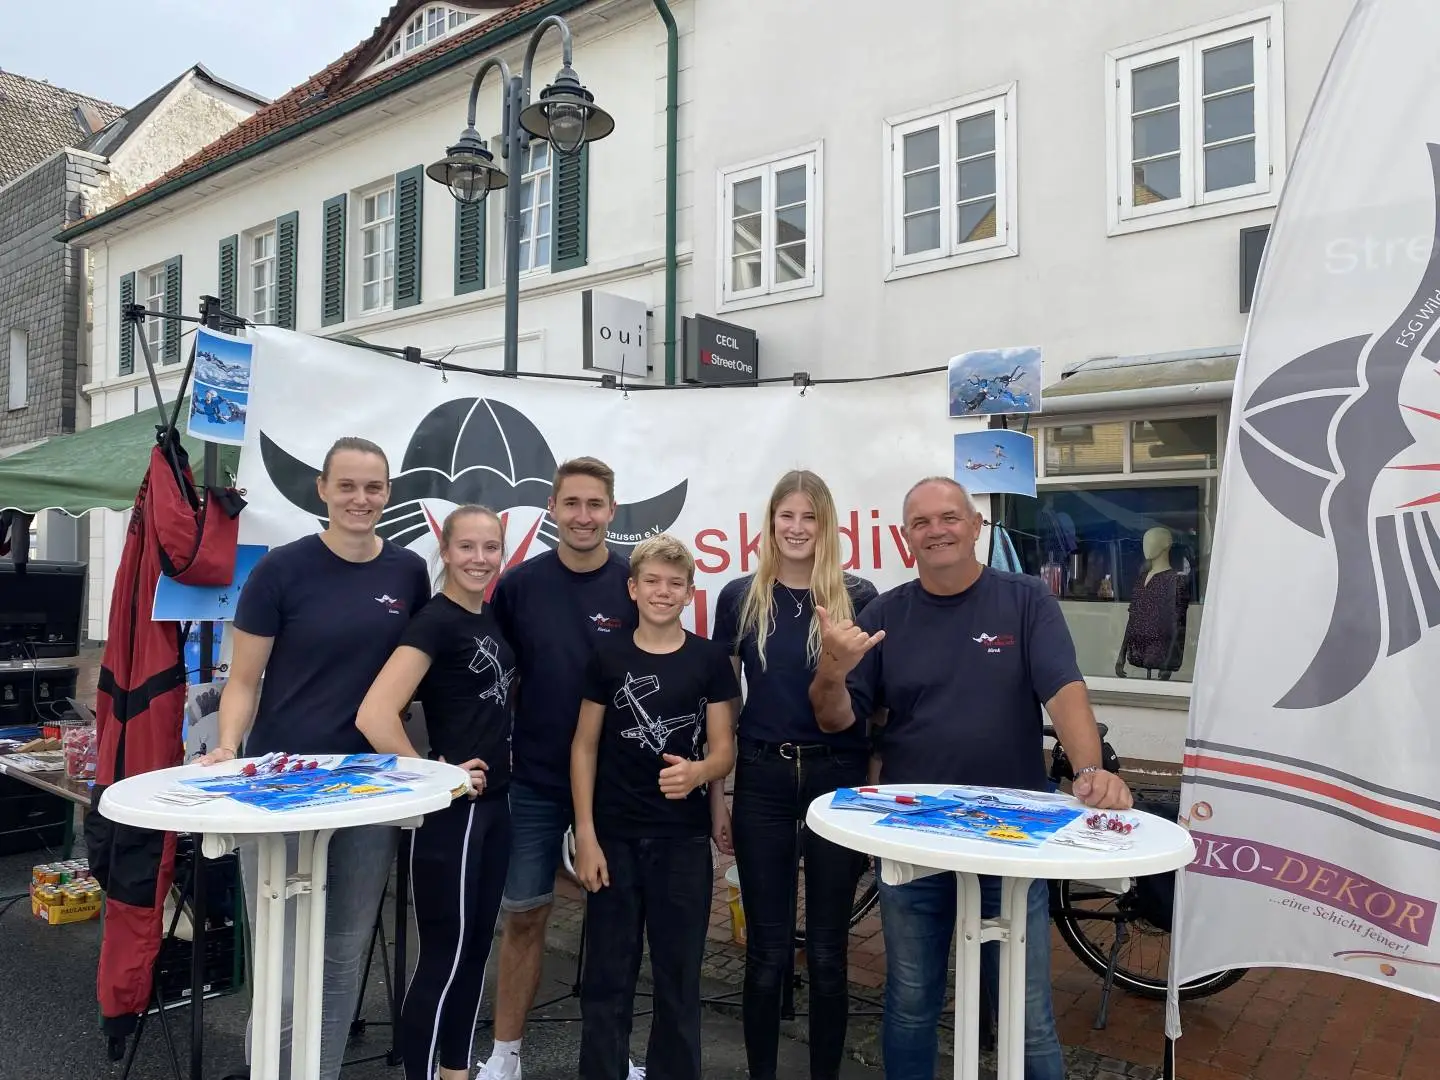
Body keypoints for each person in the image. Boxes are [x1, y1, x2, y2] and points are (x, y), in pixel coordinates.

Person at [809, 477, 1133, 1080]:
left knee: (1025, 1010)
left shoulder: (1025, 599)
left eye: (949, 517)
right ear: (906, 539)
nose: (937, 530)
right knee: (910, 1003)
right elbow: (836, 717)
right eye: (922, 523)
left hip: (1010, 838)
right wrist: (832, 668)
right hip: (912, 834)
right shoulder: (883, 614)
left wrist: (1090, 768)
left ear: (975, 525)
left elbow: (1063, 691)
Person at [200, 436, 431, 1080]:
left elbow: (419, 672)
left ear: (389, 492)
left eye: (374, 487)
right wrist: (226, 744)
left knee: (341, 957)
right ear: (322, 491)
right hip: (282, 786)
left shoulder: (408, 572)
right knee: (280, 961)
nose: (361, 499)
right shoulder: (281, 569)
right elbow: (243, 679)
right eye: (348, 486)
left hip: (369, 787)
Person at [475, 457, 641, 1080]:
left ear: (612, 511)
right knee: (524, 915)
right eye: (571, 503)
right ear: (552, 509)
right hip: (537, 781)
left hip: (616, 784)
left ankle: (611, 1056)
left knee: (615, 926)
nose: (583, 516)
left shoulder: (633, 584)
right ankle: (506, 1056)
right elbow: (500, 677)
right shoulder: (520, 585)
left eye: (594, 504)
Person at [709, 470, 877, 1080]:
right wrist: (717, 794)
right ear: (771, 522)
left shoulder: (859, 596)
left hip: (837, 778)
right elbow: (722, 705)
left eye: (810, 517)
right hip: (762, 776)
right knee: (766, 953)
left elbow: (859, 711)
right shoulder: (739, 597)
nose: (798, 528)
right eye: (788, 516)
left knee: (830, 953)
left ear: (827, 525)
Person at [355, 505, 515, 1080]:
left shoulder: (488, 616)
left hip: (496, 807)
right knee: (444, 957)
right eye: (467, 547)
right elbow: (375, 713)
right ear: (445, 551)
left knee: (474, 954)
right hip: (455, 814)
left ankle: (455, 1071)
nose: (479, 559)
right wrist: (432, 775)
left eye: (490, 547)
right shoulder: (435, 620)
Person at [571, 534, 739, 1080]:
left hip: (681, 842)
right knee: (607, 978)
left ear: (690, 593)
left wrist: (699, 774)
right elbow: (584, 746)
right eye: (652, 582)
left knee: (678, 977)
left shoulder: (710, 659)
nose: (662, 592)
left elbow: (723, 749)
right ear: (633, 588)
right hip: (614, 839)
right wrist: (587, 835)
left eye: (675, 584)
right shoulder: (608, 656)